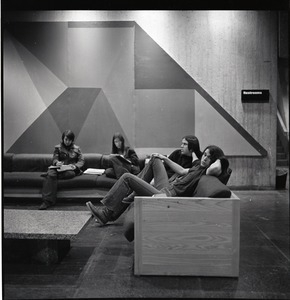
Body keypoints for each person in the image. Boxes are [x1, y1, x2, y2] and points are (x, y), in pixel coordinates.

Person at [86, 145, 229, 225]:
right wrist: (164, 158)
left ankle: (107, 213)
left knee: (127, 178)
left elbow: (215, 168)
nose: (205, 158)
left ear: (214, 160)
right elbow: (181, 170)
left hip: (168, 197)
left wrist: (220, 158)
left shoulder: (208, 171)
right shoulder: (197, 166)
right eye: (205, 154)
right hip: (168, 186)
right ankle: (117, 206)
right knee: (154, 159)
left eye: (210, 157)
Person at [39, 130, 85, 210]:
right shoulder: (58, 148)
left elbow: (81, 161)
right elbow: (55, 158)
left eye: (69, 140)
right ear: (63, 139)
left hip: (69, 169)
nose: (67, 142)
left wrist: (75, 166)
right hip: (59, 168)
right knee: (52, 173)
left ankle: (49, 175)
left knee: (68, 174)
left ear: (72, 140)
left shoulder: (77, 149)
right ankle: (47, 201)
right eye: (66, 139)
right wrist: (57, 163)